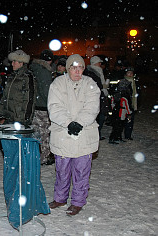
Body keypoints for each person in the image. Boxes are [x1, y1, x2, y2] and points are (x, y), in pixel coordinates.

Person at [47, 54, 100, 216]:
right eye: (74, 68)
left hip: (84, 135)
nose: (77, 71)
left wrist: (80, 123)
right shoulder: (58, 84)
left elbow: (92, 107)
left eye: (80, 68)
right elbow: (54, 107)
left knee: (81, 171)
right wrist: (68, 123)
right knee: (62, 170)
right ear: (68, 68)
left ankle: (78, 201)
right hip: (63, 134)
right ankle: (60, 198)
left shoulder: (90, 84)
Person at [0, 49, 36, 126]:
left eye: (15, 62)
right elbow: (5, 95)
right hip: (9, 116)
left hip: (19, 118)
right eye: (12, 61)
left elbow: (29, 99)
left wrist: (25, 118)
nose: (12, 64)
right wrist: (1, 111)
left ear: (21, 63)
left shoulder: (27, 77)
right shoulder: (12, 76)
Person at [29, 49, 54, 165]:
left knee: (35, 132)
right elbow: (46, 91)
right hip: (43, 106)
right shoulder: (45, 72)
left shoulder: (33, 68)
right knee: (44, 133)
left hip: (34, 105)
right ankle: (43, 157)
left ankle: (34, 156)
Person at [84, 55, 110, 140]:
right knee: (98, 117)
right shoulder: (92, 73)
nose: (100, 64)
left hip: (99, 97)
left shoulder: (97, 72)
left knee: (99, 117)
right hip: (96, 97)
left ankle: (97, 134)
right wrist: (103, 87)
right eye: (99, 62)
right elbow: (96, 86)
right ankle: (95, 135)